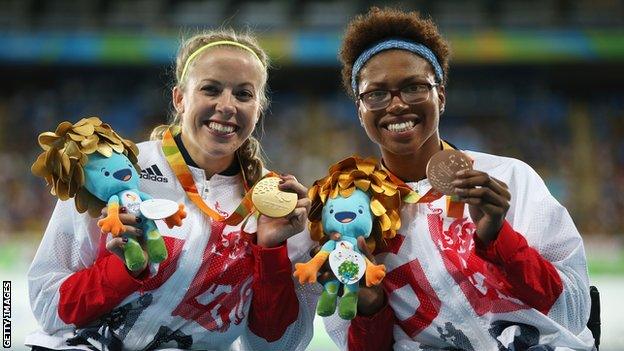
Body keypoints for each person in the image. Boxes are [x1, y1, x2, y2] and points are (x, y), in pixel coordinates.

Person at [322, 7, 595, 351]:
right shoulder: (352, 219)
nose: (396, 105)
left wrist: (499, 239)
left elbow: (574, 312)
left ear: (442, 96)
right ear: (359, 110)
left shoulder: (510, 178)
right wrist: (370, 305)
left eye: (414, 87)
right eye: (375, 93)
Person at [26, 29, 317, 351]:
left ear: (259, 107)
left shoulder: (278, 206)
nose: (227, 105)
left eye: (244, 94)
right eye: (211, 89)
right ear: (179, 98)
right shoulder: (114, 172)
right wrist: (121, 270)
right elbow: (48, 306)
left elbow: (277, 346)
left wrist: (271, 252)